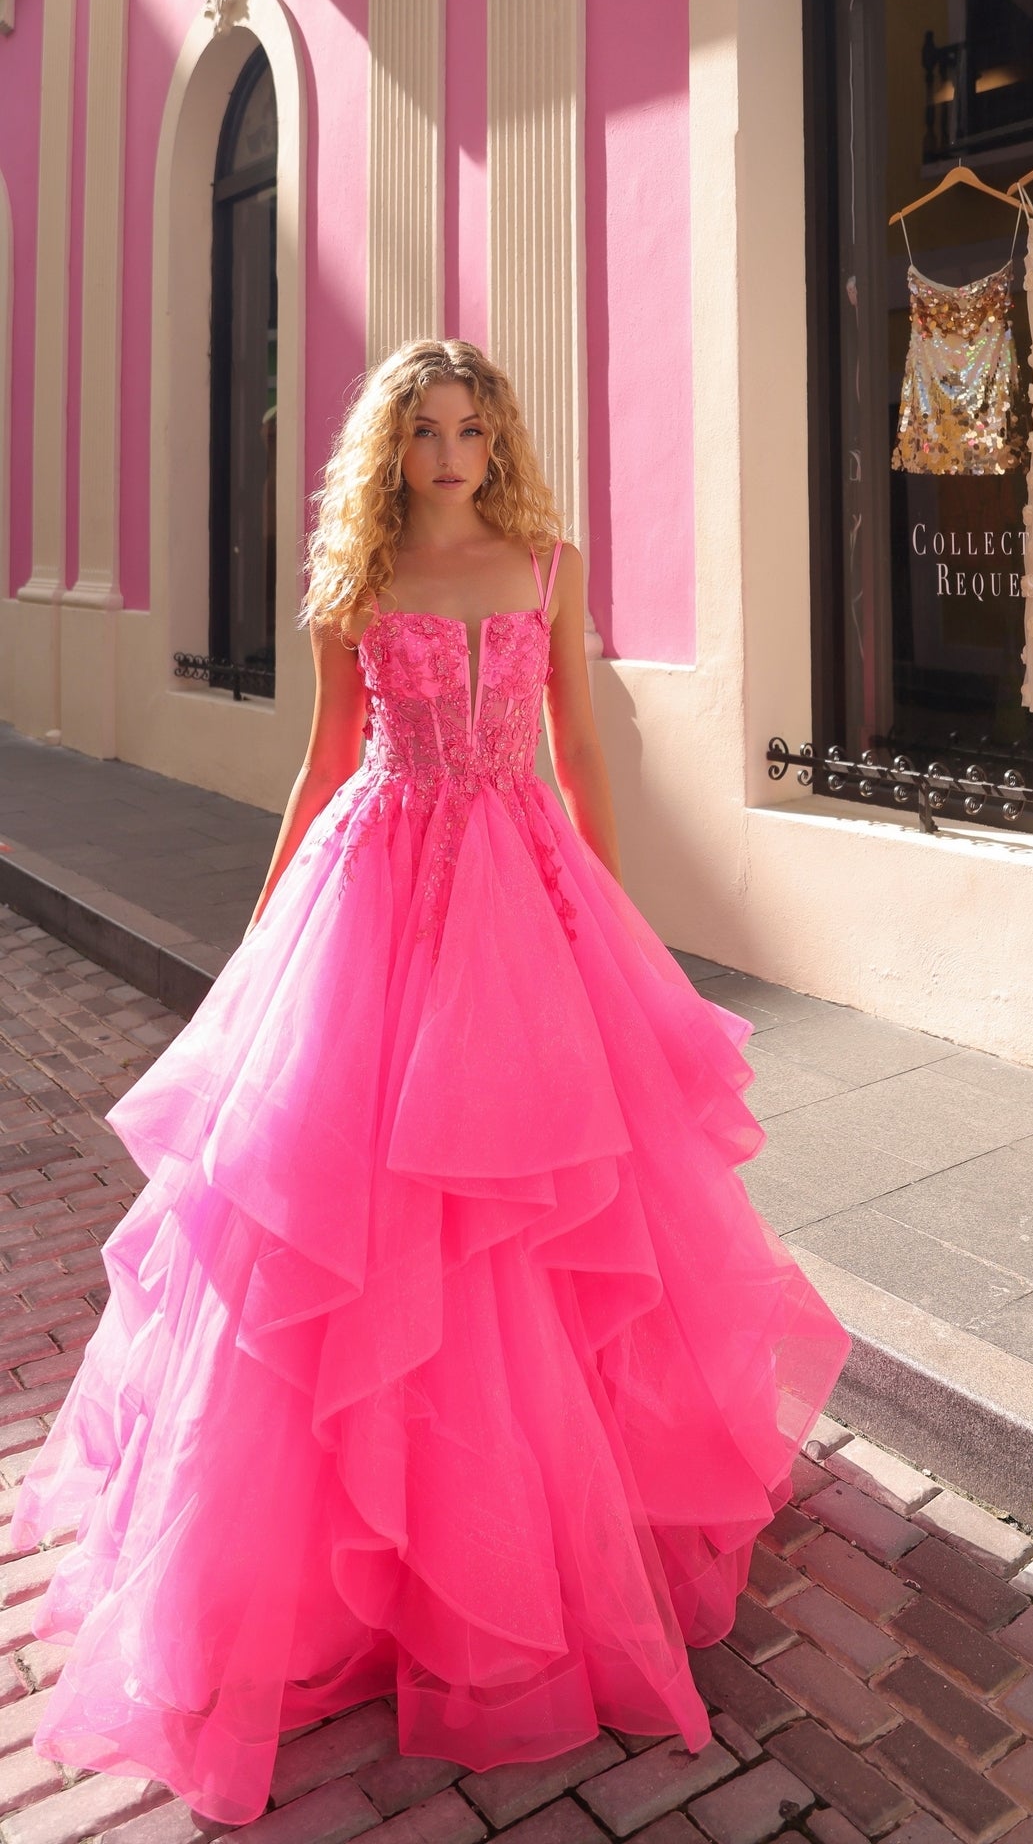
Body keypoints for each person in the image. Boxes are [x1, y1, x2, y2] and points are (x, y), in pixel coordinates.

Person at [10, 340, 849, 1829]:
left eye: (472, 429)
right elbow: (325, 761)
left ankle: (555, 1513)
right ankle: (380, 1564)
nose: (451, 453)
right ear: (389, 451)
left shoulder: (546, 561)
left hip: (527, 897)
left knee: (544, 1223)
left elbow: (582, 746)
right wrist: (263, 932)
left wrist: (612, 924)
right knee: (371, 1218)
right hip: (383, 892)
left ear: (497, 441)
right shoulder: (361, 579)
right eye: (425, 432)